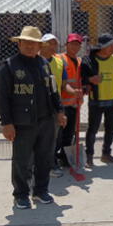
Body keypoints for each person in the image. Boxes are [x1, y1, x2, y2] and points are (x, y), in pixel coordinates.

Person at [0, 26, 66, 209]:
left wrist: (59, 111)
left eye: (34, 43)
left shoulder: (44, 64)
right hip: (22, 123)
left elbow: (53, 90)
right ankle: (21, 194)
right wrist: (7, 123)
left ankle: (40, 191)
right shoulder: (9, 67)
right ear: (19, 43)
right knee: (22, 160)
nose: (30, 46)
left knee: (44, 157)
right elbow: (3, 98)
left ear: (39, 46)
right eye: (26, 42)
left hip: (46, 120)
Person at [81, 33, 113, 167]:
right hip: (96, 101)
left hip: (112, 101)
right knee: (92, 129)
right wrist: (90, 80)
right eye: (110, 45)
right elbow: (82, 78)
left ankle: (106, 154)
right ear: (102, 47)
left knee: (110, 129)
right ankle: (89, 156)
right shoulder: (90, 60)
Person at [40, 34, 70, 178]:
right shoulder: (35, 61)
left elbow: (64, 85)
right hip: (39, 107)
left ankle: (51, 163)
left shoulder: (59, 62)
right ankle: (43, 165)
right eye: (49, 43)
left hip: (56, 105)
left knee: (56, 137)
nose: (53, 47)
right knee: (41, 138)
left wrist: (75, 92)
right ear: (42, 44)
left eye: (55, 44)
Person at [56, 33, 84, 169]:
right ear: (66, 45)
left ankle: (64, 158)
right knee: (58, 135)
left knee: (69, 134)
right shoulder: (60, 59)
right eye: (72, 43)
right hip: (62, 104)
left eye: (77, 44)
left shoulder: (79, 61)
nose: (75, 46)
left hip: (74, 104)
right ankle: (54, 158)